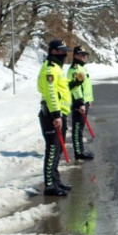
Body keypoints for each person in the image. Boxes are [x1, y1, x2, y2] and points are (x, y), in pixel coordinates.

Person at [37, 39, 72, 196]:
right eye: (61, 51)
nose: (64, 54)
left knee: (57, 150)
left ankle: (56, 181)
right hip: (51, 115)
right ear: (53, 52)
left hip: (59, 114)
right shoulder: (50, 70)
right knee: (52, 149)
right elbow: (51, 94)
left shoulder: (57, 68)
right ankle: (50, 185)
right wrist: (56, 115)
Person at [68, 46, 95, 160]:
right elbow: (76, 88)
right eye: (82, 54)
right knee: (77, 128)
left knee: (80, 127)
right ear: (76, 55)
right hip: (78, 103)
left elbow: (86, 87)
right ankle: (79, 152)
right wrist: (80, 103)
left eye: (85, 54)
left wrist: (89, 100)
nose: (84, 56)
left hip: (84, 102)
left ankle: (81, 150)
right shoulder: (75, 69)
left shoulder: (82, 68)